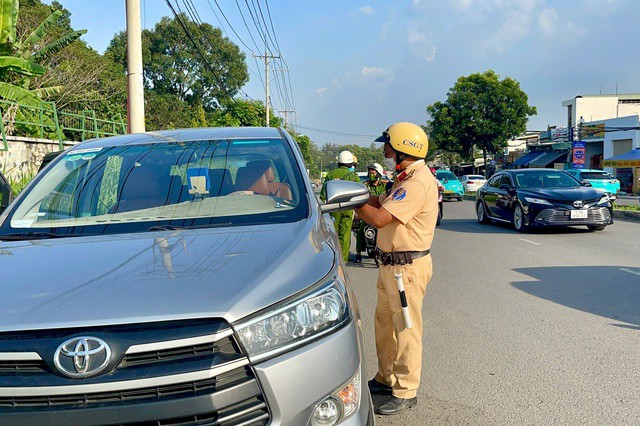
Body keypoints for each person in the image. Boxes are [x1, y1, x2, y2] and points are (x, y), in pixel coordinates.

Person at [354, 122, 438, 415]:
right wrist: (361, 195)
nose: (384, 150)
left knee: (406, 329)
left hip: (407, 269)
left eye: (388, 145)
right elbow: (380, 201)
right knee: (385, 325)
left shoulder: (416, 183)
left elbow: (379, 218)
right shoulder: (403, 179)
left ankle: (405, 390)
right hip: (391, 267)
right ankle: (385, 377)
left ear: (404, 147)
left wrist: (353, 204)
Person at [320, 150, 361, 263]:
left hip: (332, 208)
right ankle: (343, 261)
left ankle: (331, 259)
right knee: (345, 234)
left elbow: (324, 194)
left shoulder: (330, 174)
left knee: (332, 234)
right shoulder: (353, 176)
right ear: (350, 163)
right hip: (348, 209)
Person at [355, 163, 387, 263]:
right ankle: (358, 253)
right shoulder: (365, 185)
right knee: (361, 229)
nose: (371, 175)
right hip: (368, 213)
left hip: (382, 212)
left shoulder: (385, 185)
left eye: (373, 173)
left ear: (379, 174)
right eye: (370, 173)